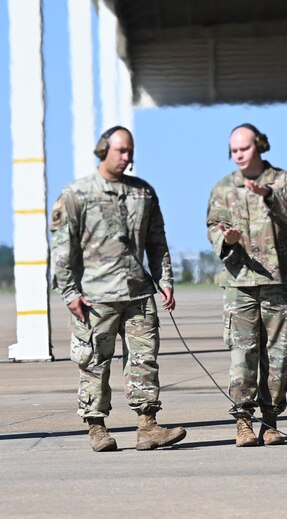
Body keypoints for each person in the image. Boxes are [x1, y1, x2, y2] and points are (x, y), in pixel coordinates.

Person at [49, 125, 186, 452]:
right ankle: (97, 428)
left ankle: (148, 426)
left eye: (130, 151)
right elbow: (62, 249)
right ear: (102, 151)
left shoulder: (143, 193)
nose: (127, 157)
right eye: (120, 151)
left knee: (144, 362)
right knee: (94, 363)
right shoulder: (77, 194)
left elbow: (157, 242)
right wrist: (70, 293)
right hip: (96, 298)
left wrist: (164, 280)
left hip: (138, 295)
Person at [206, 123, 287, 447]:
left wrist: (270, 195)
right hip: (240, 282)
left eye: (244, 148)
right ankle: (243, 422)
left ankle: (270, 421)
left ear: (260, 146)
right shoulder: (223, 188)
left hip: (278, 281)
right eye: (234, 150)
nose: (238, 155)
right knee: (243, 354)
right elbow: (212, 225)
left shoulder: (285, 180)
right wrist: (227, 240)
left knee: (278, 356)